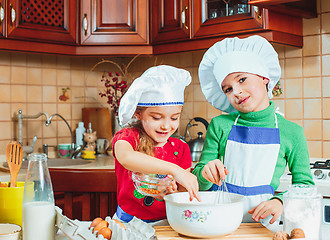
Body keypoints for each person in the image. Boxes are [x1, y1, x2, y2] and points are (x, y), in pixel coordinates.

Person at [193, 35, 314, 231]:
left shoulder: (292, 133)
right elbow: (199, 180)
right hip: (216, 223)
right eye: (228, 89)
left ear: (264, 77)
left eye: (242, 79)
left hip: (262, 227)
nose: (236, 92)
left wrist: (280, 202)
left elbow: (305, 186)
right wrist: (205, 174)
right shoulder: (219, 125)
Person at [112, 65, 200, 224]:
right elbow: (126, 157)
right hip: (128, 223)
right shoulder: (128, 137)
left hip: (166, 223)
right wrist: (174, 169)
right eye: (157, 118)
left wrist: (171, 191)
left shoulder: (181, 148)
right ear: (139, 113)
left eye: (174, 118)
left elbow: (181, 190)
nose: (166, 126)